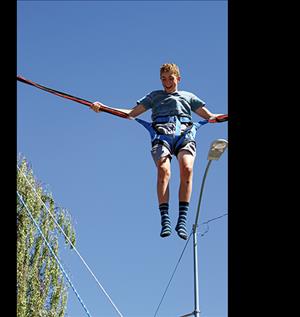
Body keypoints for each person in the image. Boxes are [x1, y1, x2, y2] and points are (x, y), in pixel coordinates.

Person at [90, 63, 223, 240]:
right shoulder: (154, 96)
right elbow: (130, 113)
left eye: (170, 78)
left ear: (178, 79)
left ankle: (181, 220)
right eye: (163, 79)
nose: (167, 82)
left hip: (184, 134)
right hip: (161, 135)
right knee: (163, 169)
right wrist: (104, 108)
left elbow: (210, 116)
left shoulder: (188, 97)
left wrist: (220, 118)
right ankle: (165, 218)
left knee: (187, 168)